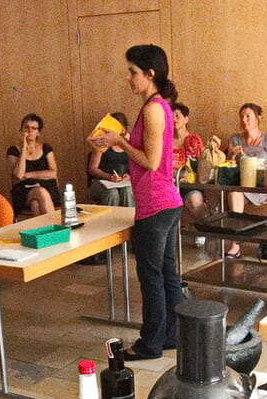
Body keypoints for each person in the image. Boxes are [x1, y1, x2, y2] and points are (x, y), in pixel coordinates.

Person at [88, 44, 183, 361]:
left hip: (156, 204)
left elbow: (151, 161)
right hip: (164, 202)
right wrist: (119, 140)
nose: (128, 78)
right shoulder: (157, 106)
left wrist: (120, 141)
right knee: (166, 274)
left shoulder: (154, 108)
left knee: (152, 277)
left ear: (150, 74)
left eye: (132, 71)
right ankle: (170, 335)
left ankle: (150, 344)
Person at [224, 102, 267, 259]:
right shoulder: (235, 140)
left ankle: (236, 243)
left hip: (262, 186)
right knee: (234, 193)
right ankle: (236, 245)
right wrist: (233, 155)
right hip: (240, 184)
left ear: (258, 118)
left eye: (248, 116)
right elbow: (227, 166)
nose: (244, 120)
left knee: (234, 194)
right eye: (241, 117)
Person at [7, 114, 60, 216]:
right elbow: (19, 175)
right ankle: (54, 224)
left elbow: (53, 173)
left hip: (47, 187)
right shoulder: (13, 150)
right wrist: (23, 148)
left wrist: (29, 175)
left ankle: (45, 226)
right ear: (21, 130)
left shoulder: (46, 148)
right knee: (41, 192)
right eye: (26, 127)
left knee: (35, 204)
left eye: (34, 128)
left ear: (38, 132)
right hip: (24, 191)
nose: (29, 131)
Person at [171, 103, 206, 246]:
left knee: (195, 201)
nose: (174, 119)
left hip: (190, 183)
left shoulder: (193, 140)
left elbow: (201, 166)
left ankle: (201, 229)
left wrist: (187, 175)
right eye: (171, 116)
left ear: (186, 119)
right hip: (169, 183)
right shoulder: (164, 140)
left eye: (177, 116)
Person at [87, 111, 134, 207]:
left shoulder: (129, 144)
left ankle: (129, 215)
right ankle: (110, 216)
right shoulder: (102, 142)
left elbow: (137, 166)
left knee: (128, 190)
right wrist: (108, 177)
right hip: (101, 181)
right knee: (112, 193)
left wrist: (129, 176)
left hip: (123, 182)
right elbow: (92, 168)